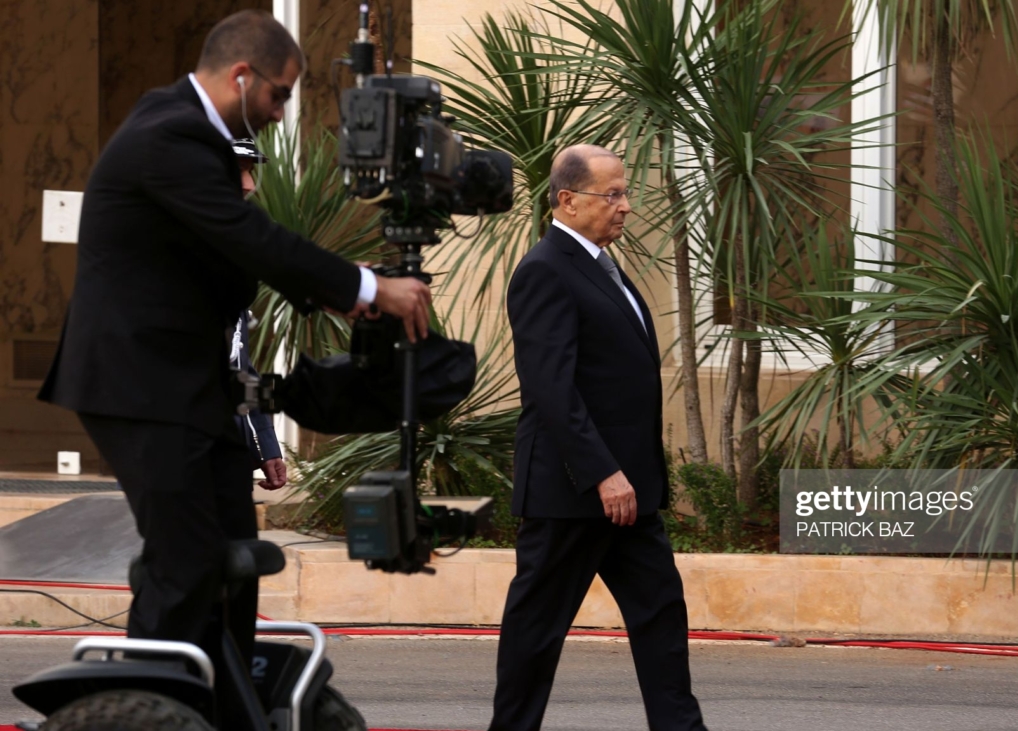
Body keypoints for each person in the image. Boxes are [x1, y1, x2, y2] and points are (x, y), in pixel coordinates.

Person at [36, 9, 429, 697]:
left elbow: (235, 253)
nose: (281, 113)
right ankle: (148, 708)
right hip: (137, 386)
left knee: (233, 559)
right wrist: (368, 287)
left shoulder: (191, 134)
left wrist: (341, 297)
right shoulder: (169, 134)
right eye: (280, 94)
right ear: (242, 76)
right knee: (185, 559)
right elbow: (251, 238)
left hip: (190, 388)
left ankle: (218, 696)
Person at [490, 144, 708, 731]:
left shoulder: (601, 265)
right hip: (573, 490)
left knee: (661, 614)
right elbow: (551, 390)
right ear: (567, 200)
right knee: (537, 632)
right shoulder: (544, 269)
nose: (626, 207)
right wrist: (602, 472)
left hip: (627, 491)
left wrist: (628, 475)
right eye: (612, 194)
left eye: (625, 192)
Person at [229, 137, 286, 491]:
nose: (249, 184)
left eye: (250, 171)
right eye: (237, 170)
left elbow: (242, 364)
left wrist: (266, 442)